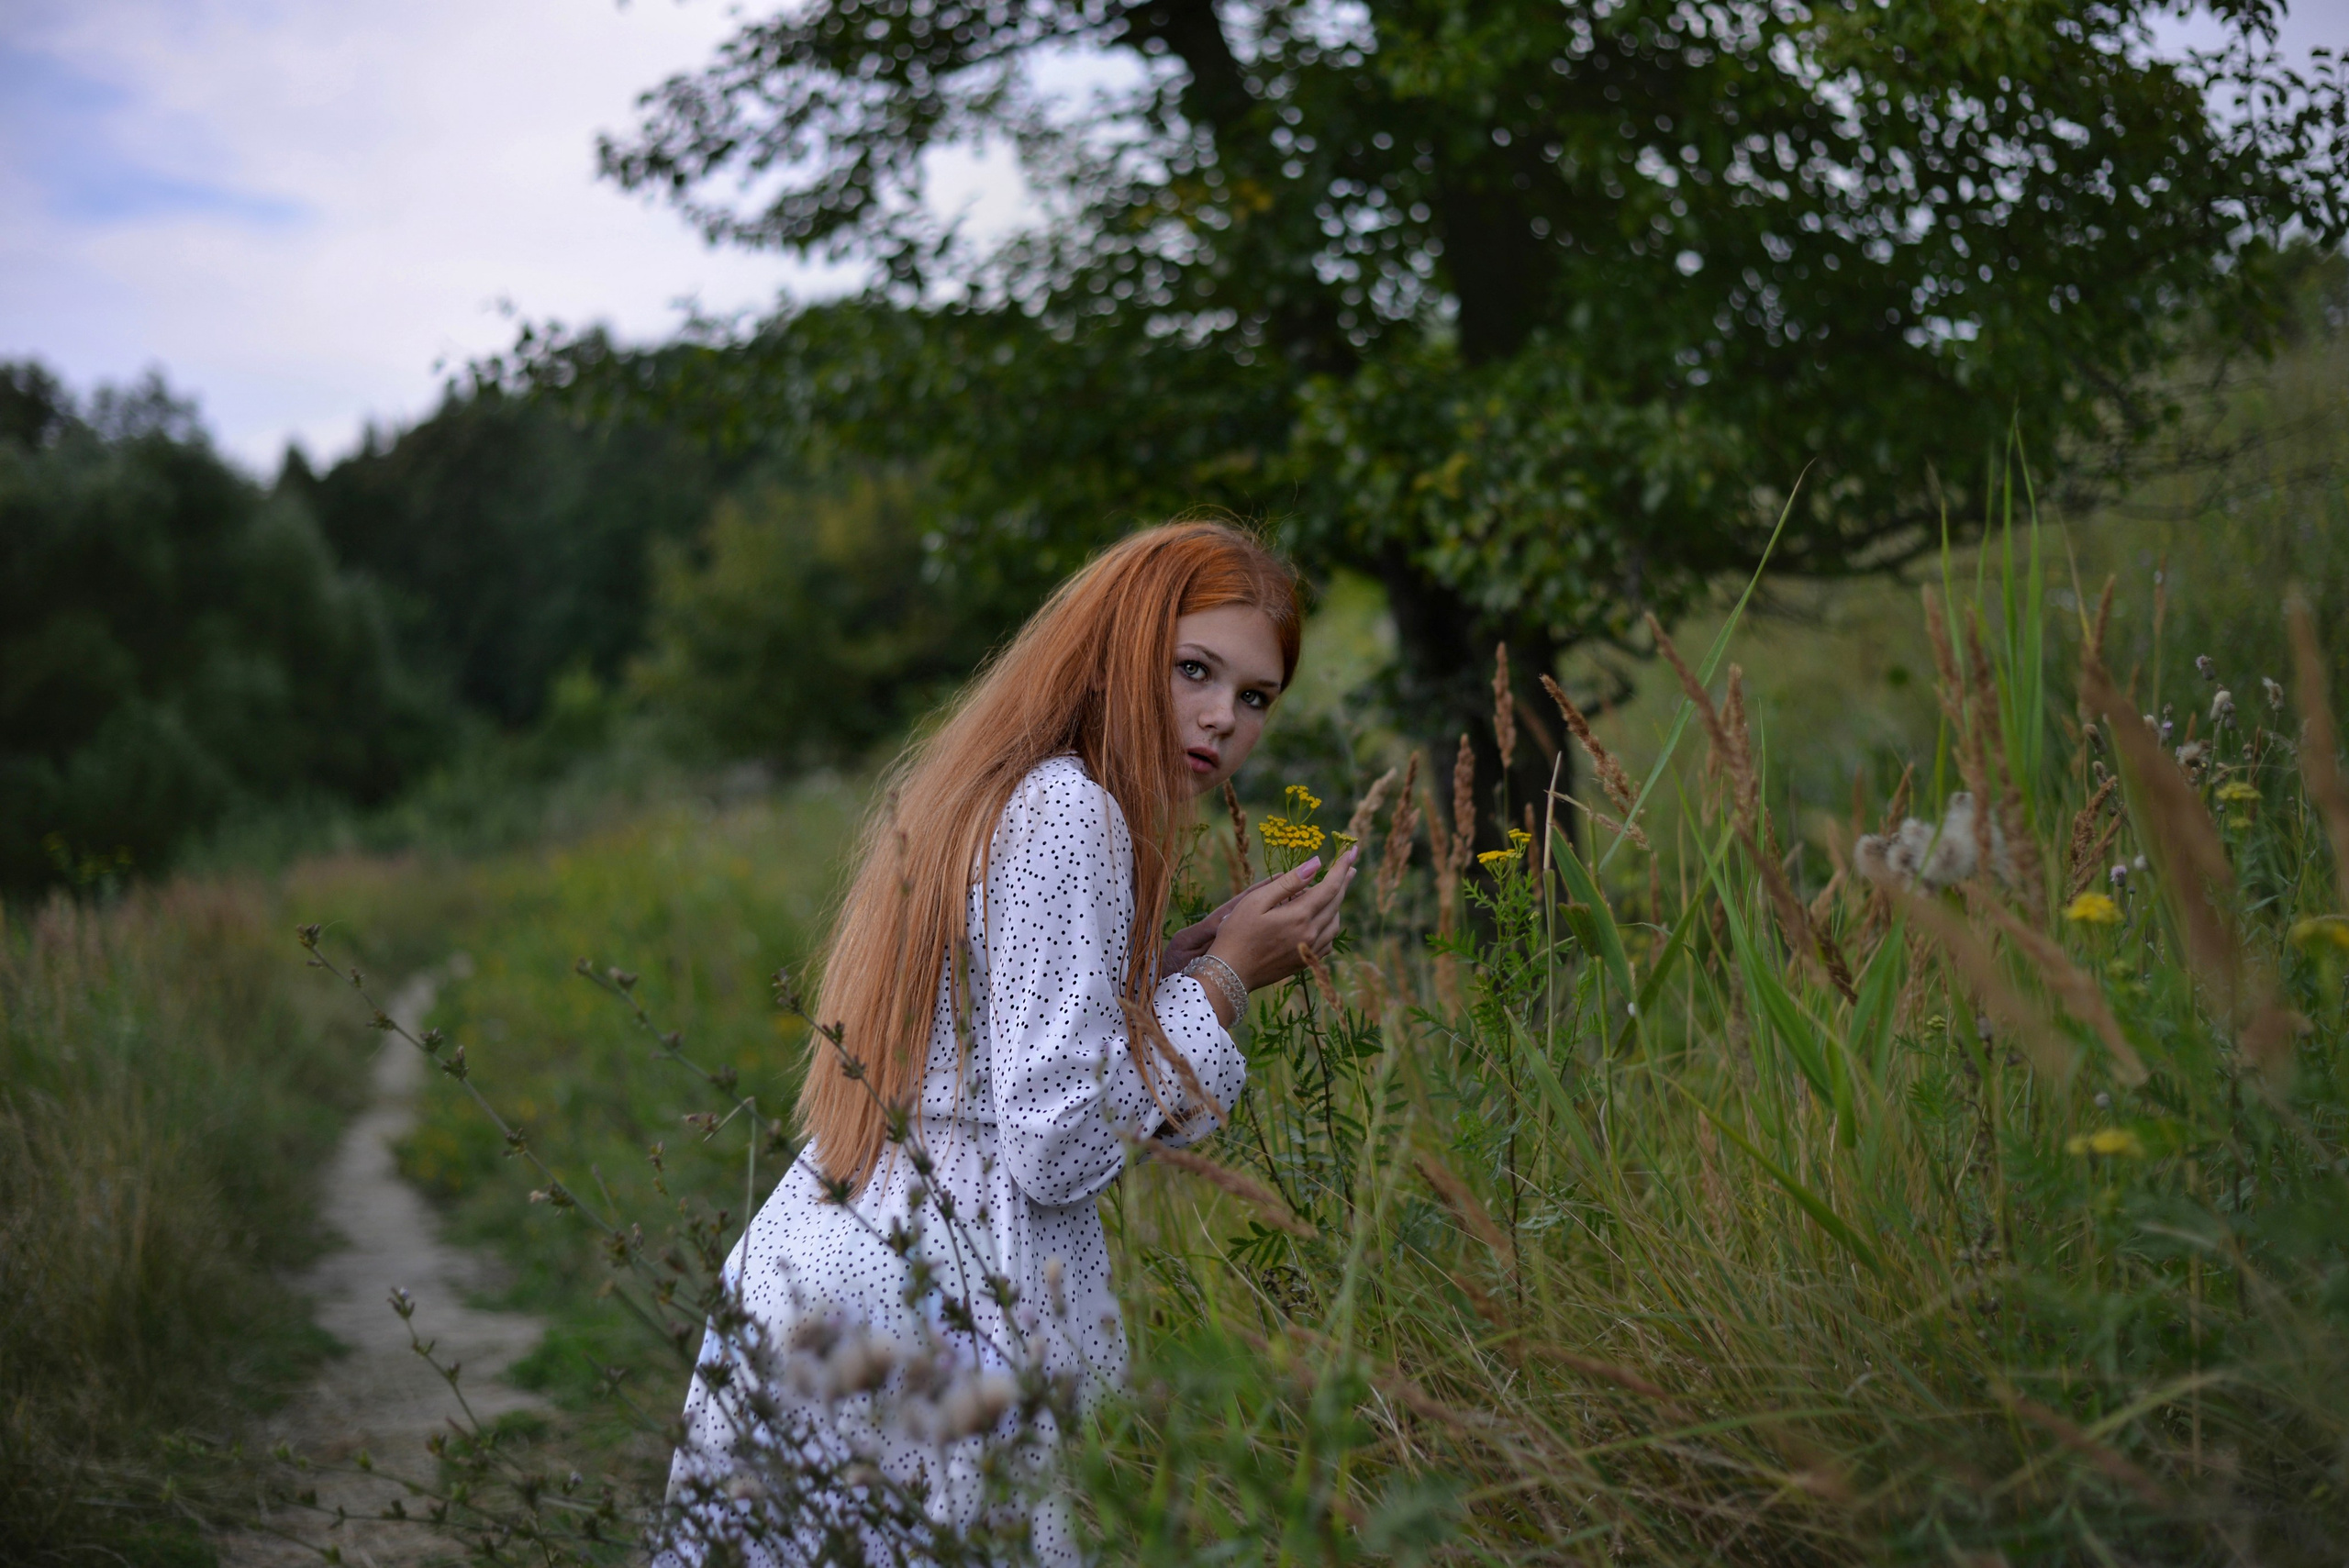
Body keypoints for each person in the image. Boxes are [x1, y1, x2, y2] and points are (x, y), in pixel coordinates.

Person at [662, 521, 1360, 1564]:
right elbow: (1055, 1142)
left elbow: (999, 1051)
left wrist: (1167, 968)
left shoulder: (1017, 785)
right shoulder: (1070, 809)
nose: (1222, 718)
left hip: (839, 1259)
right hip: (922, 1297)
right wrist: (1224, 982)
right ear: (1122, 648)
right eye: (1194, 670)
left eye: (1255, 695)